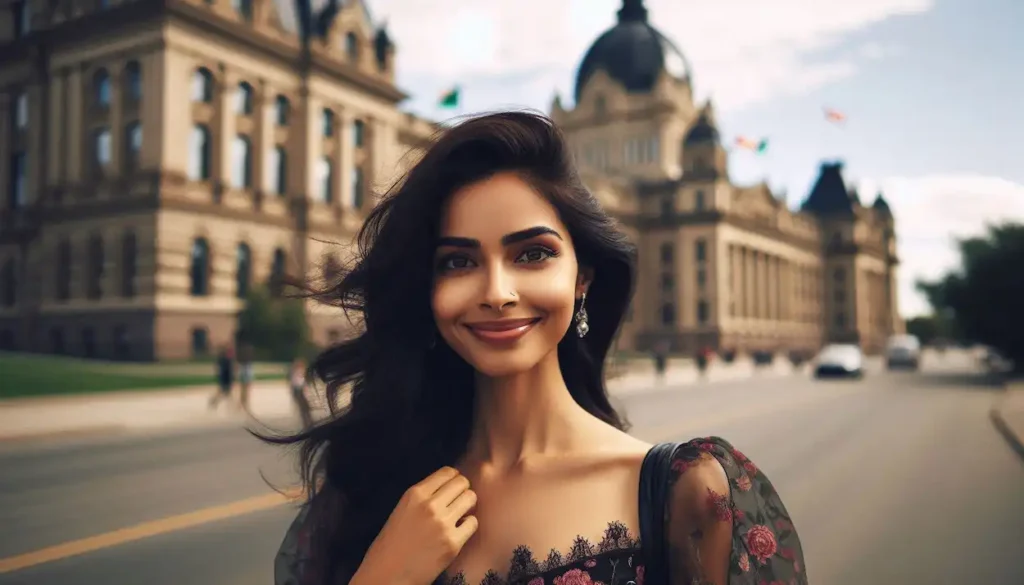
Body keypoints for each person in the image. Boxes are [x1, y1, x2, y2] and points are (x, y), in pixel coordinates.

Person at [264, 112, 806, 585]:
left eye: (532, 254)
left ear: (582, 278)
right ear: (427, 290)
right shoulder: (361, 495)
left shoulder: (690, 498)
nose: (497, 293)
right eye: (458, 261)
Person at [289, 357, 314, 430]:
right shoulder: (298, 372)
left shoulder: (297, 372)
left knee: (305, 409)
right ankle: (308, 423)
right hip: (299, 391)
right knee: (304, 409)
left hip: (299, 391)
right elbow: (299, 383)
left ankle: (308, 423)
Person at [208, 345, 234, 411]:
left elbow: (217, 367)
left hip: (224, 377)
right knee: (225, 392)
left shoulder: (222, 359)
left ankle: (214, 402)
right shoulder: (227, 359)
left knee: (224, 392)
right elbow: (230, 369)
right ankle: (215, 402)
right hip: (226, 377)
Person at [237, 345, 255, 413]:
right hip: (246, 373)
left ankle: (243, 403)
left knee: (244, 390)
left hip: (245, 373)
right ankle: (244, 403)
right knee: (246, 390)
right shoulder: (248, 361)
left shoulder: (244, 361)